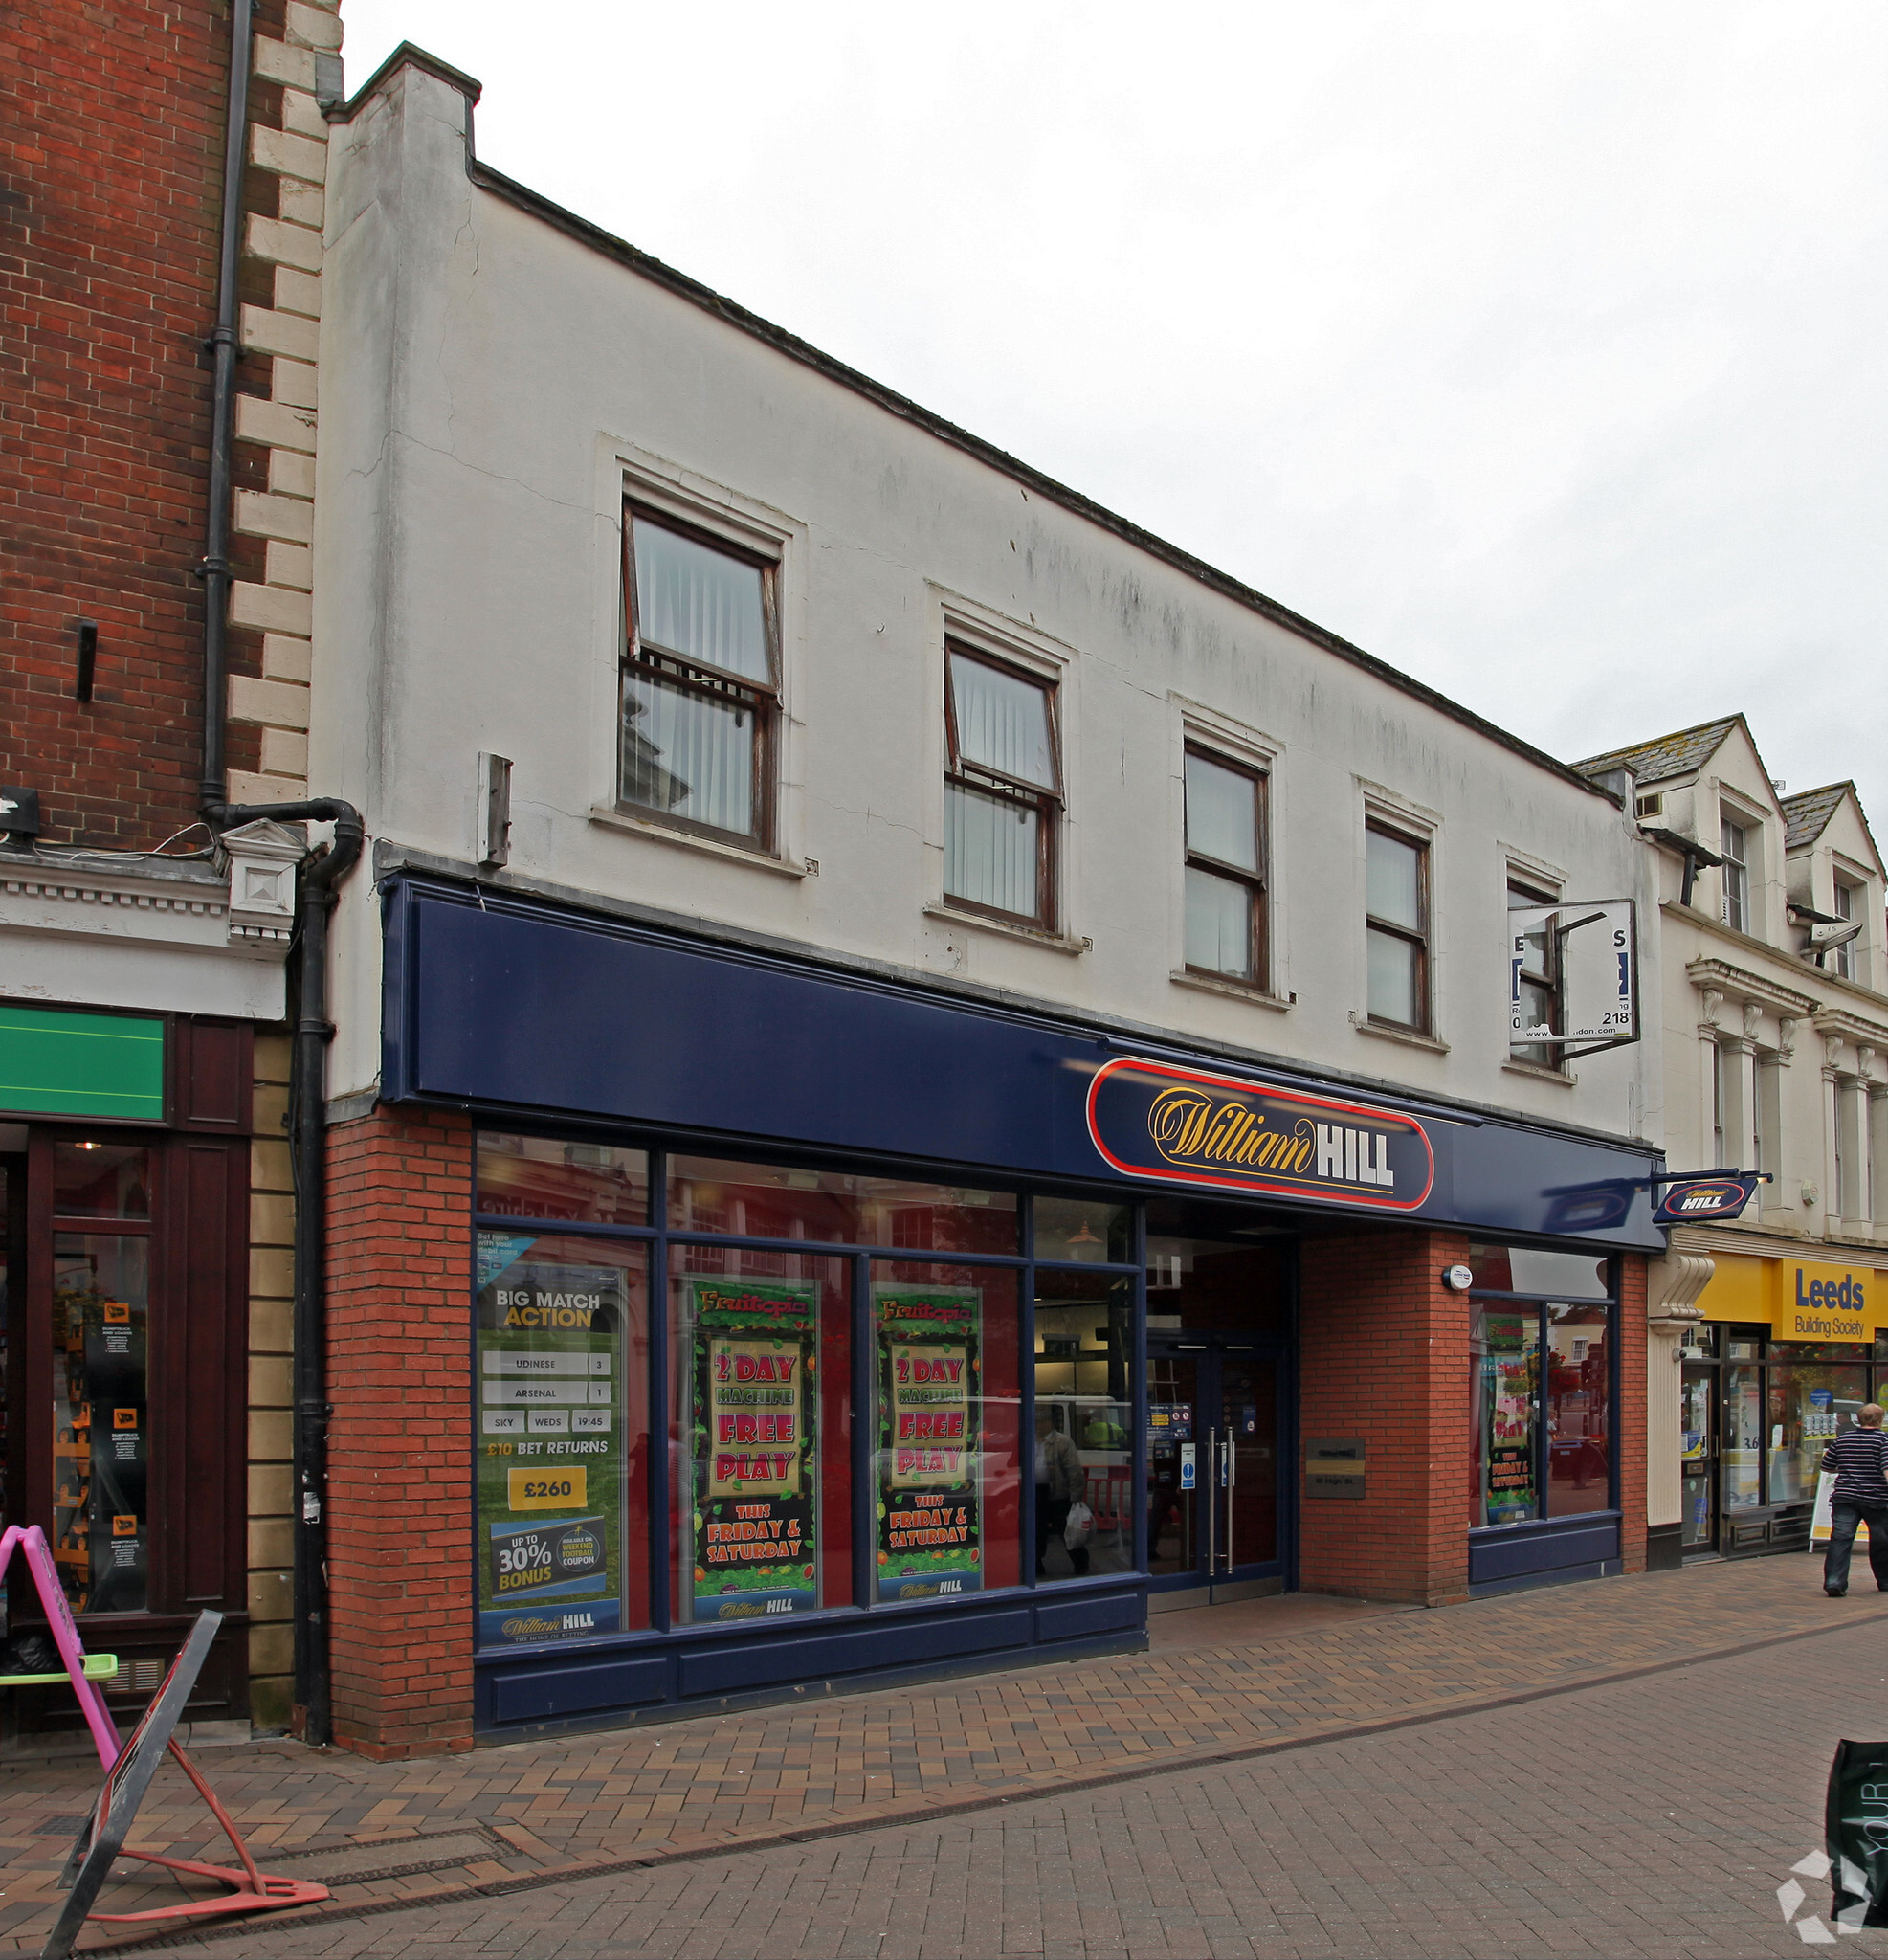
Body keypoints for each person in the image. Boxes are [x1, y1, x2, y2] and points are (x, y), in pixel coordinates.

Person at [1821, 1402, 1888, 1596]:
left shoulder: (1844, 1439)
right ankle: (1884, 1580)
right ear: (1880, 1420)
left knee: (1841, 1539)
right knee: (1881, 1540)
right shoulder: (1883, 1440)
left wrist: (1848, 1469)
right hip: (1876, 1498)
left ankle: (1834, 1581)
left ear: (1858, 1419)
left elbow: (1826, 1465)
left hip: (1845, 1496)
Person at [1033, 1408, 1088, 1578]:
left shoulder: (1062, 1442)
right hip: (1035, 1493)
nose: (1038, 1425)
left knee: (1067, 1532)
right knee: (1037, 1532)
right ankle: (1036, 1565)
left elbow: (1074, 1471)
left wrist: (1075, 1498)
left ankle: (1081, 1563)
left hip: (1058, 1495)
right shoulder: (1029, 1439)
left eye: (1041, 1421)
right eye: (1036, 1422)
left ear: (1050, 1423)